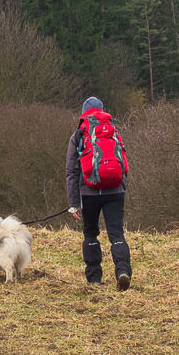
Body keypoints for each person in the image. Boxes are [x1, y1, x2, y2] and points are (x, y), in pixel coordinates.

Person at [65, 96, 132, 289]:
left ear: (83, 113)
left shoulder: (78, 135)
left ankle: (94, 278)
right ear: (103, 111)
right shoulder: (113, 132)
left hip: (89, 193)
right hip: (115, 191)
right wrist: (122, 187)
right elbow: (124, 164)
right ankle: (122, 271)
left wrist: (73, 203)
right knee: (117, 234)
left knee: (90, 234)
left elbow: (72, 171)